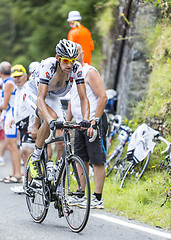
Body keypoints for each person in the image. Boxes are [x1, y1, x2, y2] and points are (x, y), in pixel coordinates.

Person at [23, 39, 90, 180]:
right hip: (33, 93)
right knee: (51, 118)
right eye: (66, 60)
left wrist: (85, 119)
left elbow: (84, 98)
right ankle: (35, 158)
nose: (69, 65)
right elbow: (40, 98)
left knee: (62, 133)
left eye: (72, 60)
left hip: (52, 95)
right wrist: (49, 120)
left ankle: (56, 177)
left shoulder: (76, 68)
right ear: (58, 58)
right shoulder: (49, 66)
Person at [66, 44, 108, 209]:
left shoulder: (89, 72)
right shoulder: (72, 74)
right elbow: (73, 100)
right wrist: (68, 122)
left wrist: (95, 121)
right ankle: (80, 193)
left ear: (82, 53)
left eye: (76, 52)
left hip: (92, 122)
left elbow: (103, 97)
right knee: (80, 159)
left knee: (97, 160)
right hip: (79, 123)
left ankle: (97, 198)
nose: (73, 56)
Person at [0, 61, 22, 183]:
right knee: (10, 145)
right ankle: (14, 172)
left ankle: (18, 173)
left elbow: (4, 104)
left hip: (11, 115)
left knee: (12, 146)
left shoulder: (8, 83)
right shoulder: (9, 82)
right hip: (9, 115)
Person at [0, 77, 6, 167]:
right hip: (3, 118)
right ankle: (1, 157)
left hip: (2, 118)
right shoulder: (3, 92)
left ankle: (1, 158)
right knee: (2, 139)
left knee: (2, 139)